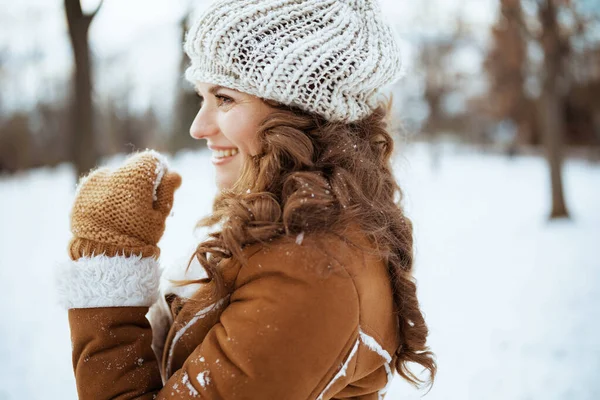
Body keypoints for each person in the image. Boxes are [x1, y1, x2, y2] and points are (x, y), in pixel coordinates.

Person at [56, 0, 437, 398]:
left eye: (224, 98)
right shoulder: (289, 231)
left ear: (298, 111)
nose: (198, 127)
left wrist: (108, 268)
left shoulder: (311, 272)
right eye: (201, 96)